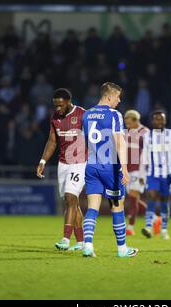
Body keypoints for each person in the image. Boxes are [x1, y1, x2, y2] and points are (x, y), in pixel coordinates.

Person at [81, 82, 138, 258]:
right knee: (117, 207)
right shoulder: (114, 115)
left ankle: (88, 245)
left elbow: (84, 143)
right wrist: (125, 170)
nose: (119, 100)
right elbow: (120, 143)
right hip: (110, 168)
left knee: (92, 207)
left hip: (91, 166)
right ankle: (122, 249)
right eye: (117, 97)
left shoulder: (87, 114)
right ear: (108, 96)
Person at [36, 88, 86, 251]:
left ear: (68, 102)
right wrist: (43, 161)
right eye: (55, 105)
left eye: (60, 105)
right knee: (72, 202)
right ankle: (80, 242)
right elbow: (52, 141)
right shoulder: (55, 117)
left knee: (71, 197)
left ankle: (65, 239)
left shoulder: (82, 115)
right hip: (63, 163)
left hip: (79, 162)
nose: (57, 109)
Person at [140, 111, 171, 240]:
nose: (159, 122)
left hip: (167, 174)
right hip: (152, 173)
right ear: (152, 121)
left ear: (165, 121)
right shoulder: (147, 136)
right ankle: (148, 226)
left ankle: (164, 229)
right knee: (151, 196)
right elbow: (144, 156)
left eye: (161, 119)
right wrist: (142, 174)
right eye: (156, 119)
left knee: (165, 201)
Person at [123, 110, 149, 236]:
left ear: (136, 121)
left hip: (139, 170)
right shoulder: (126, 132)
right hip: (127, 169)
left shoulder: (145, 132)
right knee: (132, 198)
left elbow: (149, 154)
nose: (127, 125)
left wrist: (144, 174)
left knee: (133, 198)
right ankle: (154, 216)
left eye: (129, 123)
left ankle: (130, 227)